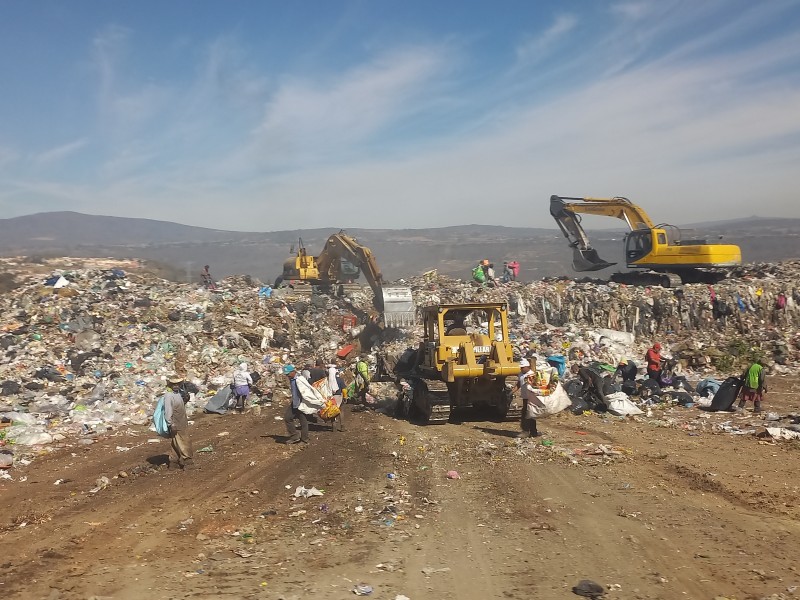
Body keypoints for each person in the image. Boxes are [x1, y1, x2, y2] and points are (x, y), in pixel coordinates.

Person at [164, 375, 193, 469]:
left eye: (178, 384)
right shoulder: (169, 395)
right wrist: (170, 423)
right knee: (184, 441)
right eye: (174, 384)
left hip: (182, 421)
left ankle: (173, 461)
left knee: (176, 441)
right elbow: (168, 410)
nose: (176, 386)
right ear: (170, 385)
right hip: (176, 422)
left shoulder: (177, 394)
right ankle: (187, 460)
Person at [283, 364, 309, 444]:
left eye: (288, 374)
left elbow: (306, 390)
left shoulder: (299, 379)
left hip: (301, 403)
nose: (287, 375)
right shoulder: (292, 379)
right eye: (286, 374)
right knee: (287, 418)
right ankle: (295, 436)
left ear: (293, 371)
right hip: (295, 403)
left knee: (303, 421)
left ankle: (304, 439)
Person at [326, 360, 345, 432]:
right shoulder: (339, 380)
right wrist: (345, 397)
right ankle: (342, 426)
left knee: (333, 412)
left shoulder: (327, 380)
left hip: (330, 397)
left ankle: (334, 426)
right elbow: (344, 389)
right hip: (339, 396)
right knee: (341, 411)